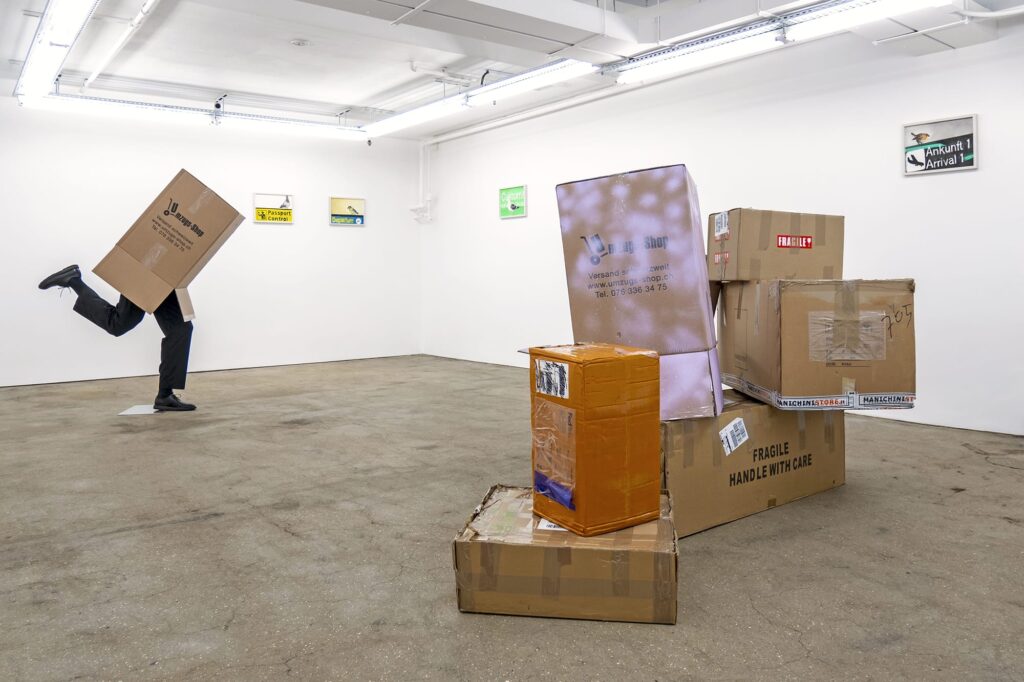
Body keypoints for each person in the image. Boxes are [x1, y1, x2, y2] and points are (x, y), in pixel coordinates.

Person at [39, 264, 196, 411]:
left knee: (180, 329)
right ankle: (73, 280)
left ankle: (165, 395)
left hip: (165, 276)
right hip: (146, 272)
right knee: (118, 324)